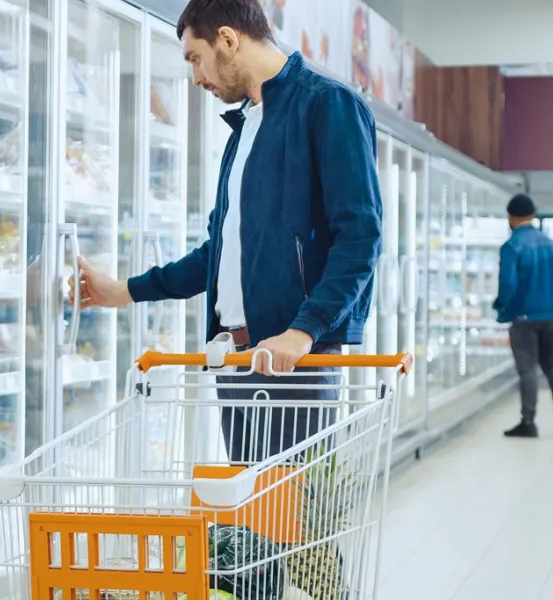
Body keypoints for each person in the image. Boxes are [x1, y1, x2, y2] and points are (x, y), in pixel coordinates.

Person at [76, 0, 382, 463]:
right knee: (249, 525)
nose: (196, 77)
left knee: (295, 525)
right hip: (235, 359)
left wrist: (303, 332)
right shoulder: (244, 130)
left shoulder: (328, 106)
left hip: (294, 361)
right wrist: (124, 292)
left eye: (195, 58)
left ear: (228, 39)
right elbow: (218, 254)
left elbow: (359, 238)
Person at [494, 194, 553, 438]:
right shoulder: (550, 244)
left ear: (511, 216)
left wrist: (501, 307)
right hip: (550, 315)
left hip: (523, 318)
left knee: (527, 370)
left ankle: (528, 422)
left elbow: (507, 283)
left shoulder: (512, 246)